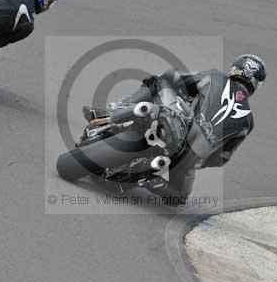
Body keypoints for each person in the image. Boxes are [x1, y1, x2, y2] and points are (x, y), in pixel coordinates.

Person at [83, 54, 266, 201]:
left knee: (159, 80)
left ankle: (114, 110)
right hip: (188, 158)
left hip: (175, 124)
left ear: (235, 70)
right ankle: (152, 180)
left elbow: (176, 79)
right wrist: (198, 161)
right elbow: (221, 158)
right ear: (256, 84)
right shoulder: (247, 122)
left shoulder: (215, 77)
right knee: (179, 199)